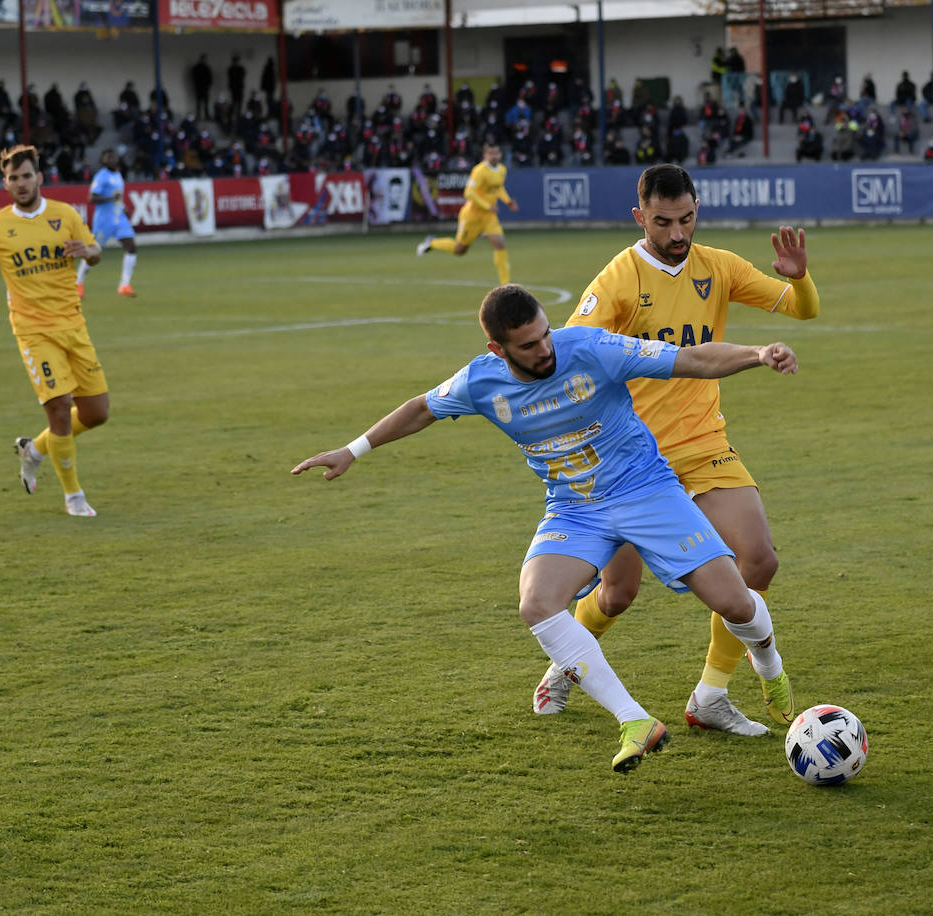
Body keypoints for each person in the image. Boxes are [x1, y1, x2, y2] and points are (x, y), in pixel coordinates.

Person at [293, 283, 800, 772]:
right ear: (498, 348)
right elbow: (421, 409)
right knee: (537, 602)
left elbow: (690, 360)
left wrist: (757, 354)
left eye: (546, 334)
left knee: (734, 602)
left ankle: (771, 670)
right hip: (575, 510)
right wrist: (352, 450)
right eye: (529, 345)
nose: (545, 349)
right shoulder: (480, 381)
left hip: (646, 492)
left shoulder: (592, 347)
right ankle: (635, 721)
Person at [529, 164, 819, 737]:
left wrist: (799, 278)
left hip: (702, 445)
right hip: (630, 461)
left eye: (687, 218)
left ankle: (710, 697)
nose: (678, 233)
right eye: (663, 222)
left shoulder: (719, 266)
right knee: (617, 593)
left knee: (758, 559)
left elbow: (802, 309)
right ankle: (564, 665)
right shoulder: (616, 281)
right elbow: (570, 359)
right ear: (641, 217)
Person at [0, 145, 108, 518]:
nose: (21, 183)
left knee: (95, 413)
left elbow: (95, 251)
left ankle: (35, 450)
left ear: (39, 177)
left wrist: (87, 251)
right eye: (13, 178)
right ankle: (74, 498)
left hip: (72, 325)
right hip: (32, 331)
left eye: (26, 176)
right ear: (5, 182)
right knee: (59, 409)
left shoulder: (65, 214)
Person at [416, 141, 518, 284]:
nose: (494, 156)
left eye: (496, 153)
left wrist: (507, 201)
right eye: (491, 153)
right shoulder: (480, 171)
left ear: (500, 154)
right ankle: (432, 242)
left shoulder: (502, 169)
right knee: (460, 250)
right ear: (485, 155)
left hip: (489, 217)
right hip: (472, 216)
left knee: (500, 244)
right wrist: (487, 206)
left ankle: (505, 285)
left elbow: (498, 188)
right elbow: (469, 193)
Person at [77, 148, 139, 298]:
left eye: (113, 157)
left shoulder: (118, 175)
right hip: (104, 220)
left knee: (131, 247)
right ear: (102, 161)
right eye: (108, 158)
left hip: (119, 218)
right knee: (94, 253)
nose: (111, 160)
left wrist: (123, 207)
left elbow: (118, 197)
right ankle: (78, 283)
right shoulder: (101, 176)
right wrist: (111, 199)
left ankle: (124, 285)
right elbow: (92, 198)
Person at [192, 53, 213, 120]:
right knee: (199, 103)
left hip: (204, 88)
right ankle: (198, 116)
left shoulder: (206, 68)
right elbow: (194, 77)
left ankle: (206, 116)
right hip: (199, 88)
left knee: (205, 103)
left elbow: (210, 78)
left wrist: (208, 86)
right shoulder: (197, 68)